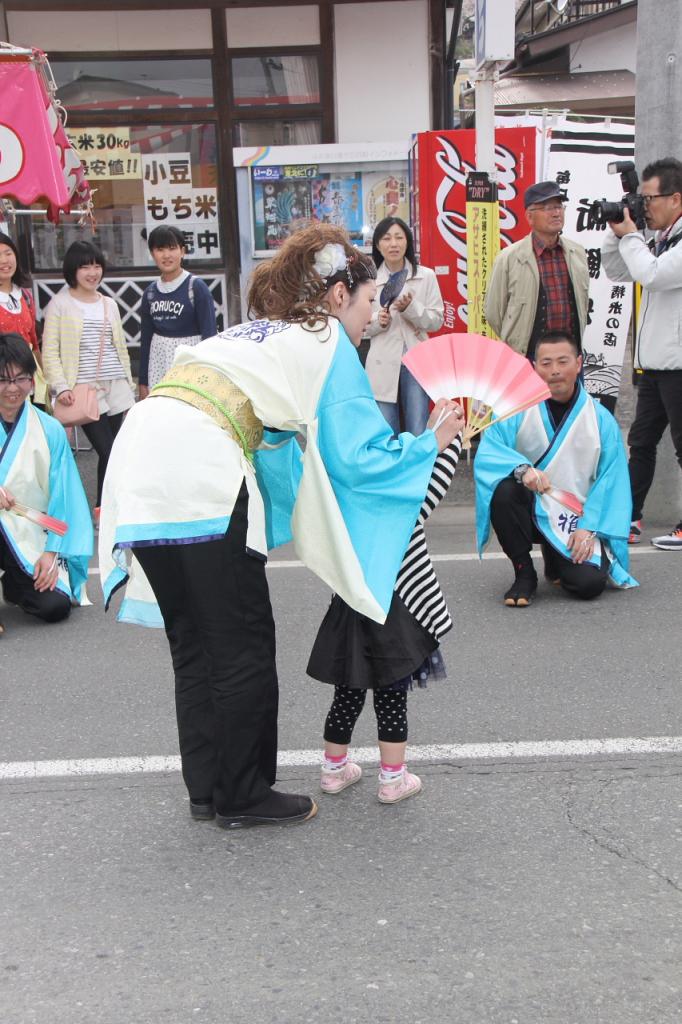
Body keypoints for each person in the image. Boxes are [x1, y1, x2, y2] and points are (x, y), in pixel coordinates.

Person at [98, 224, 461, 831]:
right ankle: (243, 794)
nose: (369, 318)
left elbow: (279, 449)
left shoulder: (258, 332)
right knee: (240, 643)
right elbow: (358, 458)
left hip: (139, 461)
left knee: (194, 643)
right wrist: (429, 445)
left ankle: (208, 789)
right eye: (368, 301)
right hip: (201, 470)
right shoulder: (326, 339)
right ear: (339, 294)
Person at [308, 429, 463, 805]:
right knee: (391, 700)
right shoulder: (407, 504)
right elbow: (439, 471)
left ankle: (333, 771)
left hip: (349, 610)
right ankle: (393, 780)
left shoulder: (344, 504)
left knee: (346, 695)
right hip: (397, 615)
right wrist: (454, 436)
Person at [474, 331, 637, 607]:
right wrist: (521, 469)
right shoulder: (515, 408)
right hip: (530, 509)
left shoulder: (600, 420)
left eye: (563, 361)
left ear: (579, 363)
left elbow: (611, 481)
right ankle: (524, 572)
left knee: (588, 585)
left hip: (575, 518)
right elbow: (490, 451)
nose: (555, 371)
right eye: (546, 363)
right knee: (503, 491)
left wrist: (588, 528)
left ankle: (556, 557)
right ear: (534, 366)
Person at [601, 157, 682, 551]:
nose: (645, 207)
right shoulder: (659, 239)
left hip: (679, 365)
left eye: (650, 199)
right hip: (652, 364)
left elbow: (652, 275)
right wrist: (616, 229)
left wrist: (632, 235)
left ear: (676, 198)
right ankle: (628, 517)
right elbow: (618, 271)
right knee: (641, 442)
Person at [0, 333, 92, 632]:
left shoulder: (49, 429)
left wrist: (52, 552)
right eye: (3, 379)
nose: (12, 388)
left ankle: (15, 584)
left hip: (31, 529)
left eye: (21, 379)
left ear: (32, 381)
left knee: (54, 606)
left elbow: (64, 497)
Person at [42, 241, 135, 519]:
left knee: (113, 451)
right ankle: (105, 509)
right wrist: (61, 387)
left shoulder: (109, 304)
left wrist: (128, 382)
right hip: (83, 389)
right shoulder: (60, 304)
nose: (92, 272)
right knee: (107, 449)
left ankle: (104, 509)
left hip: (115, 384)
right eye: (85, 267)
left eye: (96, 266)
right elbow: (50, 350)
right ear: (73, 270)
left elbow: (119, 345)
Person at [484, 181, 590, 362]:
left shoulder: (577, 253)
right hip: (527, 357)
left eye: (559, 206)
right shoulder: (509, 258)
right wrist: (517, 340)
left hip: (570, 355)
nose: (556, 213)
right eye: (548, 208)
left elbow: (582, 303)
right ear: (529, 216)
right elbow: (494, 313)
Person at [364, 216, 444, 435]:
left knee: (417, 427)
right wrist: (377, 321)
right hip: (382, 362)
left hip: (416, 361)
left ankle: (418, 460)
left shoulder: (426, 276)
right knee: (385, 431)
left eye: (399, 237)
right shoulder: (369, 281)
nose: (393, 244)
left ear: (407, 242)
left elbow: (436, 321)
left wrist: (412, 308)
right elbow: (359, 325)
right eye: (387, 238)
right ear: (377, 244)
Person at [138, 225, 217, 398]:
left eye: (172, 248)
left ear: (182, 251)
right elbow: (145, 340)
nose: (166, 255)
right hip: (158, 365)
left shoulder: (196, 287)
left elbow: (210, 336)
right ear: (152, 254)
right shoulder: (150, 293)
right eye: (160, 249)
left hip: (191, 366)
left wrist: (210, 376)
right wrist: (143, 381)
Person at [0, 235, 49, 409]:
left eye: (8, 253)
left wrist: (46, 377)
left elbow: (34, 343)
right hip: (4, 386)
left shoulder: (25, 296)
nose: (4, 260)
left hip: (30, 381)